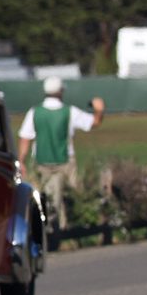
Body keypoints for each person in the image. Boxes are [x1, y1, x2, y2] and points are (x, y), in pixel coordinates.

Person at [16, 76, 105, 232]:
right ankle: (69, 228)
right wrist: (99, 109)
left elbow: (25, 138)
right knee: (71, 195)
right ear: (61, 91)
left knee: (45, 197)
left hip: (41, 162)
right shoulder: (69, 112)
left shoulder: (34, 112)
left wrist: (21, 161)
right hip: (65, 162)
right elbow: (94, 122)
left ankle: (51, 228)